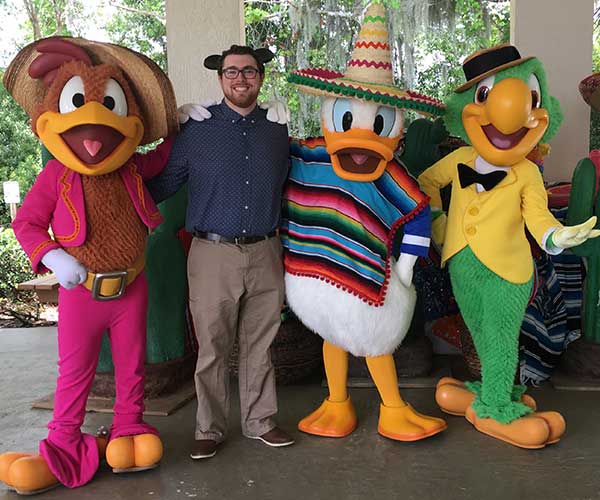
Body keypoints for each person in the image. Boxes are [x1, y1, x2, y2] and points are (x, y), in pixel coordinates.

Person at [147, 44, 294, 460]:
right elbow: (161, 183)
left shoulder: (276, 130)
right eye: (232, 72)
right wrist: (160, 133)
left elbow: (299, 182)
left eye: (249, 71)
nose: (240, 79)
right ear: (220, 79)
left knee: (260, 345)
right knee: (212, 346)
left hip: (266, 249)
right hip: (211, 254)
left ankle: (261, 421)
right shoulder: (196, 131)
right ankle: (209, 428)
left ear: (261, 77)